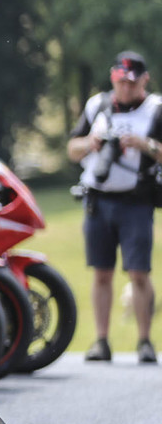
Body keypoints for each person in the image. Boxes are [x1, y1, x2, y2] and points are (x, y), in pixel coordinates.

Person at [67, 50, 162, 364]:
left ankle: (145, 341)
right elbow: (72, 148)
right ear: (113, 78)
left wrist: (144, 144)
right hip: (98, 200)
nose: (126, 88)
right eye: (121, 82)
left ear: (144, 80)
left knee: (138, 272)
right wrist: (92, 143)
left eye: (132, 83)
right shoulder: (98, 105)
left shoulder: (155, 109)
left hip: (136, 201)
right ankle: (102, 341)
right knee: (101, 273)